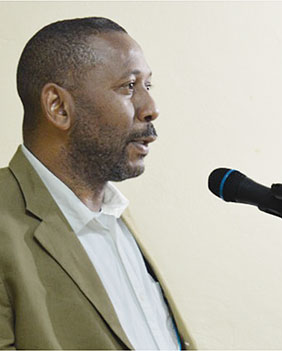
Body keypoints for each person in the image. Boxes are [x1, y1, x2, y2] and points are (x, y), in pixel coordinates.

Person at [0, 17, 192, 349]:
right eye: (129, 87)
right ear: (59, 107)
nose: (151, 108)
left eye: (148, 86)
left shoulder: (115, 216)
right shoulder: (8, 222)